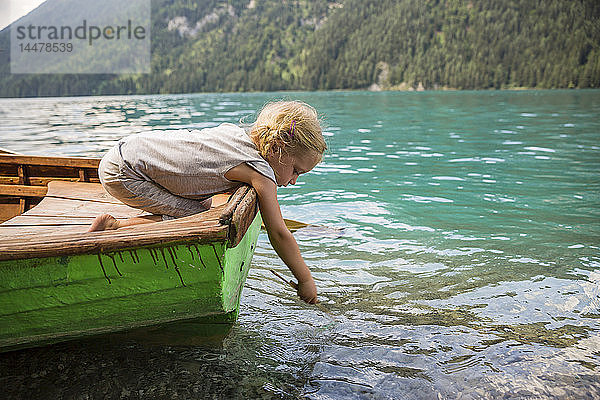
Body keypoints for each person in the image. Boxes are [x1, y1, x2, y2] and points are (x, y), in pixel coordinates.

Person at [88, 100, 327, 304]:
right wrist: (305, 279)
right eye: (296, 170)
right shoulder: (261, 172)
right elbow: (278, 232)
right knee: (198, 219)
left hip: (126, 152)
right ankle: (115, 228)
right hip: (126, 174)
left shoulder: (238, 136)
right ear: (276, 148)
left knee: (203, 205)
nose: (294, 180)